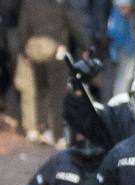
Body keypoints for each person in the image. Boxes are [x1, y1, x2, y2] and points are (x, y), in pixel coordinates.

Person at [17, 0, 89, 146]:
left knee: (41, 90)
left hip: (37, 51)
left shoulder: (29, 3)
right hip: (57, 49)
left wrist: (24, 52)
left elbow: (23, 27)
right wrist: (85, 46)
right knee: (58, 94)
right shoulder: (61, 3)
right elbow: (74, 24)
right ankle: (58, 134)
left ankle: (43, 128)